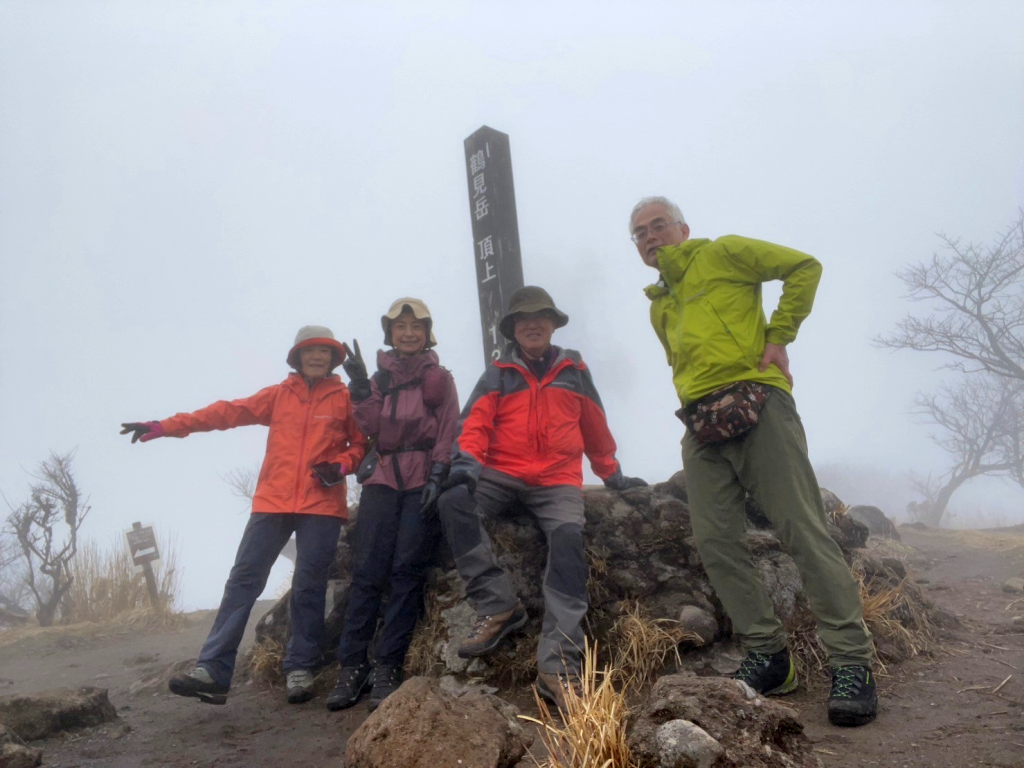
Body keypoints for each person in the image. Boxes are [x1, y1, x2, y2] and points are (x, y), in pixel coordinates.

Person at [628, 196, 877, 727]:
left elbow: (803, 267)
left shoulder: (723, 253)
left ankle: (852, 662)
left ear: (682, 229)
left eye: (658, 226)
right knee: (716, 540)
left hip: (758, 402)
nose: (650, 237)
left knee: (803, 530)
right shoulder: (659, 303)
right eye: (639, 233)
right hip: (701, 422)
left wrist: (779, 336)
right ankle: (769, 658)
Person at [120, 326, 367, 706]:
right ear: (297, 357)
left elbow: (361, 443)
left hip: (322, 505)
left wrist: (341, 464)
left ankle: (300, 668)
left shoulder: (345, 399)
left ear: (334, 359)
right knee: (243, 582)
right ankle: (214, 670)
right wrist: (167, 426)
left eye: (325, 352)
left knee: (309, 585)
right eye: (310, 351)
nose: (317, 357)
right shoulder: (279, 395)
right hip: (272, 502)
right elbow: (225, 412)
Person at [437, 286, 646, 712]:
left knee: (568, 545)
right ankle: (499, 607)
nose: (532, 324)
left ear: (552, 324)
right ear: (513, 328)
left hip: (557, 479)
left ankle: (559, 666)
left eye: (541, 317)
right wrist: (465, 468)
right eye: (523, 319)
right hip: (502, 472)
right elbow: (474, 423)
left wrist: (612, 474)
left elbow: (594, 423)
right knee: (453, 503)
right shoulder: (498, 372)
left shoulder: (574, 370)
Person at [325, 298, 459, 712]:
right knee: (367, 572)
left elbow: (448, 428)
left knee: (405, 571)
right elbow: (368, 427)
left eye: (416, 325)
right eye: (400, 326)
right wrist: (363, 389)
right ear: (390, 333)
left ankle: (388, 664)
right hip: (383, 475)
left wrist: (439, 473)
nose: (408, 332)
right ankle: (352, 666)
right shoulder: (379, 377)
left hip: (421, 477)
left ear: (427, 332)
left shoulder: (439, 378)